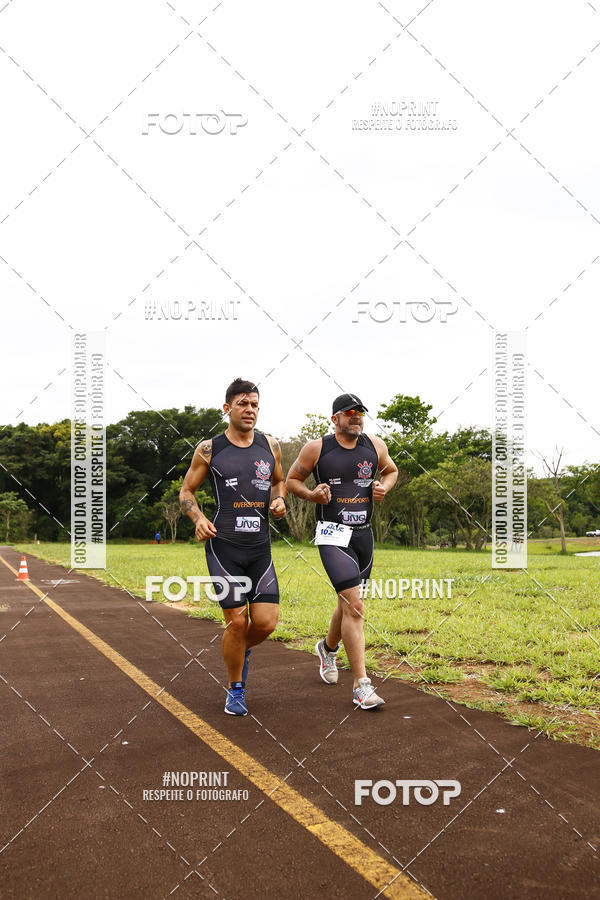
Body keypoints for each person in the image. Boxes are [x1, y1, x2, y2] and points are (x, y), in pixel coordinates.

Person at [180, 378, 286, 716]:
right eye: (243, 404)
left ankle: (239, 650)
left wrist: (280, 499)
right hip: (223, 547)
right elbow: (186, 492)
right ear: (227, 408)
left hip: (260, 550)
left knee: (266, 623)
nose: (250, 410)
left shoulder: (270, 446)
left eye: (255, 404)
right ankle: (235, 689)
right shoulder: (209, 449)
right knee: (237, 623)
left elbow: (279, 480)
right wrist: (197, 518)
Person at [286, 393, 397, 709]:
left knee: (348, 604)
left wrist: (383, 487)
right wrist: (311, 495)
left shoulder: (375, 446)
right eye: (349, 413)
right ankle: (362, 686)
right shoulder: (317, 448)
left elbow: (391, 471)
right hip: (332, 535)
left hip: (364, 537)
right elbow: (293, 479)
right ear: (335, 418)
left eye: (360, 412)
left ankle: (327, 648)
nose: (356, 417)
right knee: (356, 606)